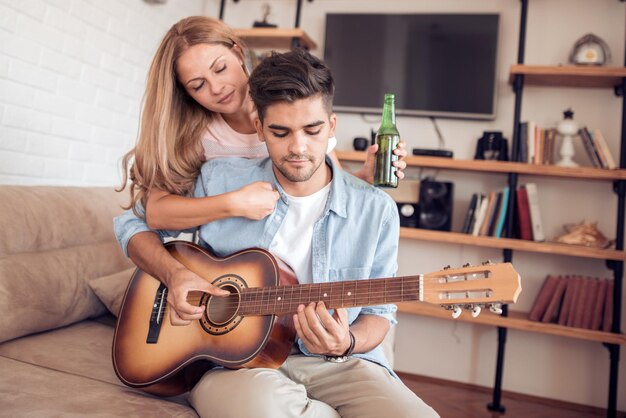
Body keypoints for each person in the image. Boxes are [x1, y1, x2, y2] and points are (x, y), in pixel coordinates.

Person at [115, 48, 438, 418]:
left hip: (336, 364)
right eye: (280, 132)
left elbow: (380, 314)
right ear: (259, 129)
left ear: (331, 127)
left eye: (312, 130)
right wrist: (175, 276)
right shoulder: (220, 178)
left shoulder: (376, 209)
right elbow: (133, 223)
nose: (298, 147)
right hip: (232, 365)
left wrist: (348, 341)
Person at [116, 16, 408, 326]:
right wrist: (232, 204)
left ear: (237, 52)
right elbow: (151, 216)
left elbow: (323, 187)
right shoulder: (195, 141)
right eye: (198, 85)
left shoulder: (287, 100)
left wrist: (360, 180)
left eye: (220, 68)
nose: (217, 88)